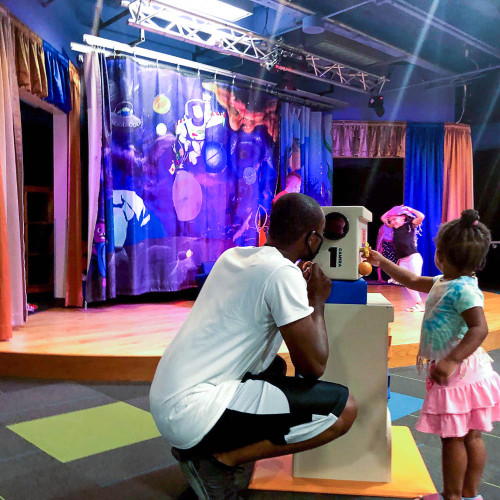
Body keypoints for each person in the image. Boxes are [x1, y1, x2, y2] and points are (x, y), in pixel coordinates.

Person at [150, 193, 357, 499]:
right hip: (193, 413)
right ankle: (220, 461)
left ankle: (207, 449)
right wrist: (316, 300)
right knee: (344, 410)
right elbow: (314, 366)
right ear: (312, 239)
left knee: (275, 367)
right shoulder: (282, 273)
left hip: (166, 400)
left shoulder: (232, 257)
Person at [364, 209, 500, 500]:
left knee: (453, 438)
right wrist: (382, 261)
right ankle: (470, 495)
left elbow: (480, 328)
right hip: (472, 372)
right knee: (471, 435)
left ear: (440, 256)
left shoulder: (463, 290)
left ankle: (452, 496)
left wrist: (450, 361)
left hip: (459, 373)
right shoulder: (446, 281)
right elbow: (412, 280)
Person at [381, 204, 425, 312]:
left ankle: (425, 303)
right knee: (407, 283)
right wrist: (393, 210)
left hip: (413, 257)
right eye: (391, 220)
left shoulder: (410, 225)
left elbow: (421, 216)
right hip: (403, 260)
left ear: (403, 217)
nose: (392, 222)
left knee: (414, 282)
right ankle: (419, 304)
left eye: (395, 219)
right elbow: (383, 218)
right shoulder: (394, 228)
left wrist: (410, 209)